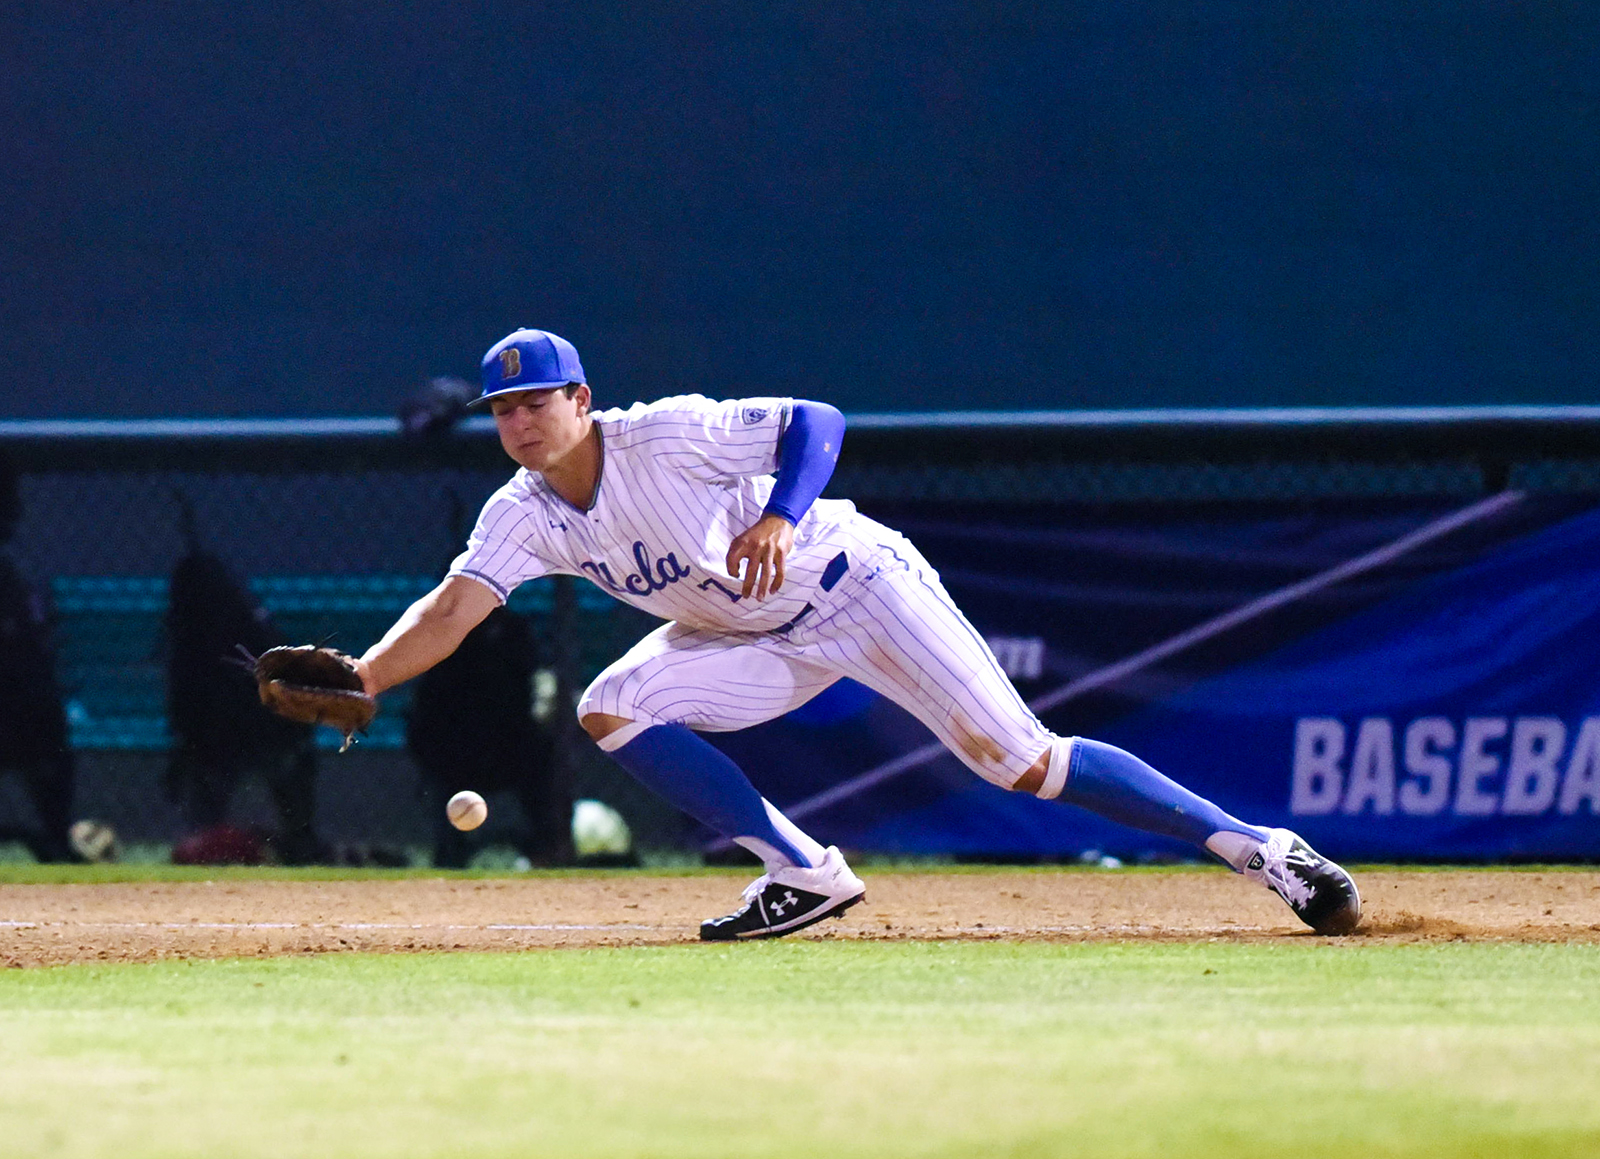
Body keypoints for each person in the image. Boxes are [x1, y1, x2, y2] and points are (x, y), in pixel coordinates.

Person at [354, 328, 1362, 939]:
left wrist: (781, 512)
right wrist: (362, 678)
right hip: (746, 637)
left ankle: (1263, 850)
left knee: (1023, 762)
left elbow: (816, 421)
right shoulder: (521, 509)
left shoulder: (664, 433)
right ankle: (802, 872)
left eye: (539, 401)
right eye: (505, 410)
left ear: (580, 399)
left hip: (851, 584)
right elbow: (451, 608)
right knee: (611, 705)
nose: (522, 423)